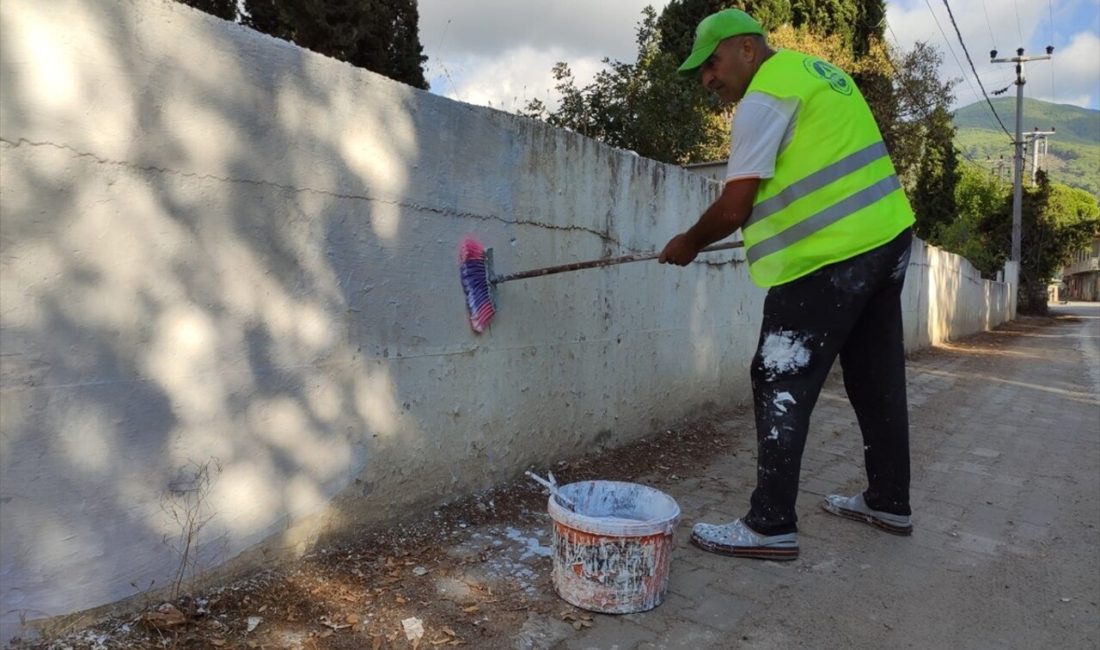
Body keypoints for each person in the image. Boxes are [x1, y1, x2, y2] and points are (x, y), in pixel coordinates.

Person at [658, 8, 916, 561]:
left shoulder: (764, 98)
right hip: (887, 237)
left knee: (779, 376)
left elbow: (733, 208)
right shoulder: (816, 73)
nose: (707, 79)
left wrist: (687, 242)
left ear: (747, 49)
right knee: (875, 377)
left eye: (712, 62)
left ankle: (770, 522)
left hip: (830, 256)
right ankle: (889, 499)